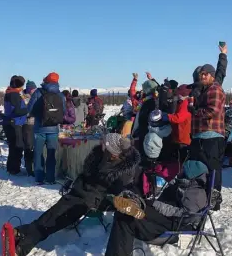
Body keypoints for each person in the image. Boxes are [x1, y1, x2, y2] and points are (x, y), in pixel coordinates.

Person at [11, 133, 140, 256]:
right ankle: (23, 235)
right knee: (57, 211)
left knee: (61, 214)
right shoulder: (100, 154)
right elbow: (86, 175)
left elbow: (120, 196)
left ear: (114, 153)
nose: (101, 144)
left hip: (97, 200)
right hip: (82, 190)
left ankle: (24, 240)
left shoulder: (124, 171)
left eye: (104, 144)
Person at [104, 160, 209, 256]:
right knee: (126, 213)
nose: (180, 171)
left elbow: (188, 216)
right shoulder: (185, 185)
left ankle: (136, 205)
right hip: (167, 218)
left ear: (191, 174)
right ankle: (135, 203)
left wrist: (159, 206)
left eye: (183, 170)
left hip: (176, 225)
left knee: (126, 218)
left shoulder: (196, 193)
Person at [189, 64, 226, 211]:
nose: (202, 76)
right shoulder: (205, 90)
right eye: (201, 74)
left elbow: (213, 111)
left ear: (211, 75)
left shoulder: (215, 89)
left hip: (211, 135)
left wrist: (195, 111)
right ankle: (203, 198)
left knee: (212, 169)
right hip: (201, 135)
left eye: (205, 74)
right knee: (201, 169)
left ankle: (213, 200)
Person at [27, 72, 65, 184]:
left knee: (38, 154)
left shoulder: (38, 92)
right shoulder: (61, 95)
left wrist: (38, 115)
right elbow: (64, 111)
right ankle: (50, 178)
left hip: (39, 128)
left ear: (46, 80)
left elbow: (29, 109)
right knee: (51, 154)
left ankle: (39, 177)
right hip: (54, 129)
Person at [2, 75, 28, 175]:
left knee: (13, 146)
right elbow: (18, 110)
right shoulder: (14, 95)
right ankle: (14, 168)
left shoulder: (10, 93)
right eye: (21, 85)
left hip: (10, 122)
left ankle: (11, 167)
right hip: (14, 123)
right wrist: (27, 110)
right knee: (17, 146)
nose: (22, 88)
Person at [22, 80, 37, 176]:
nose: (35, 91)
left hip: (34, 124)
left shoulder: (32, 97)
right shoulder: (24, 99)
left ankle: (32, 166)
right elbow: (25, 112)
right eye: (33, 89)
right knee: (28, 147)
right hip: (27, 125)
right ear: (30, 89)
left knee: (33, 147)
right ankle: (29, 168)